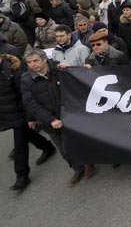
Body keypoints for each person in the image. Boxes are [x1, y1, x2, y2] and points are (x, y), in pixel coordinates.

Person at [21, 49, 94, 187]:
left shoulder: (59, 69)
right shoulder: (26, 80)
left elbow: (76, 76)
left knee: (78, 141)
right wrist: (50, 119)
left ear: (44, 60)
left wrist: (86, 69)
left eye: (36, 61)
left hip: (69, 115)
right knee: (63, 148)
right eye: (29, 62)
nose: (33, 65)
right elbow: (30, 103)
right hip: (49, 121)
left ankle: (88, 164)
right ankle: (77, 169)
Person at [0, 49, 56, 192]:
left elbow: (26, 95)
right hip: (6, 112)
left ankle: (22, 176)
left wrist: (30, 116)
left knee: (19, 144)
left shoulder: (13, 69)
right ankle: (47, 147)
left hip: (19, 111)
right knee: (27, 134)